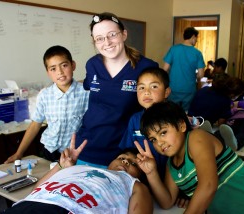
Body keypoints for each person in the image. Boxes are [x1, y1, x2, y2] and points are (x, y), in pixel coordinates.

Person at [134, 101, 244, 214]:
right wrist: (151, 173)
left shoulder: (196, 138)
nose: (159, 142)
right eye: (153, 139)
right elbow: (167, 202)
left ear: (182, 125)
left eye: (163, 133)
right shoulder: (171, 164)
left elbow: (208, 185)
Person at [75, 12, 158, 168]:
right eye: (99, 38)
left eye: (112, 35)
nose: (107, 42)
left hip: (123, 153)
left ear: (124, 34)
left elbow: (159, 101)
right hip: (86, 145)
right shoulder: (92, 65)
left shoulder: (145, 67)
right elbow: (88, 84)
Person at [0, 135, 152, 214]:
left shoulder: (133, 183)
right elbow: (36, 191)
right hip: (28, 205)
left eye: (133, 163)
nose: (125, 162)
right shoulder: (79, 168)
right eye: (122, 158)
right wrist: (61, 166)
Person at [4, 45, 89, 163]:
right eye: (53, 69)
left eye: (64, 65)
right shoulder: (45, 95)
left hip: (74, 153)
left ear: (73, 65)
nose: (59, 72)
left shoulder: (86, 93)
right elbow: (35, 125)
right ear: (48, 72)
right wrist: (19, 153)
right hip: (49, 150)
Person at [119, 67, 170, 179]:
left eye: (154, 87)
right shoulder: (135, 119)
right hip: (142, 178)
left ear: (166, 92)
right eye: (141, 87)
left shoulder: (173, 119)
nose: (146, 92)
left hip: (172, 180)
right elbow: (128, 151)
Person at [163, 27, 205, 111]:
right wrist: (195, 76)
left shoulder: (173, 49)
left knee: (172, 112)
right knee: (186, 114)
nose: (196, 41)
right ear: (193, 37)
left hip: (173, 88)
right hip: (189, 89)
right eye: (196, 38)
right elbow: (201, 75)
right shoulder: (197, 53)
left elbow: (164, 69)